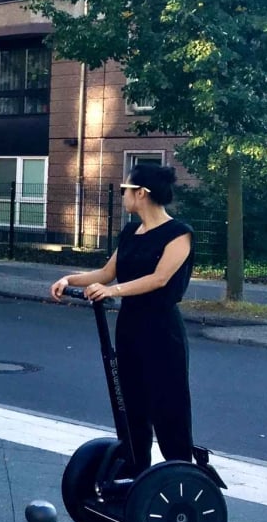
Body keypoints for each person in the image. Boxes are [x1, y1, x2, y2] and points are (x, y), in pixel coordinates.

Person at [50, 164, 196, 473]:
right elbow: (105, 273)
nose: (122, 195)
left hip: (162, 330)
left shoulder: (178, 234)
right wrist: (69, 279)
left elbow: (159, 279)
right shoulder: (131, 232)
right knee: (131, 404)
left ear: (141, 193)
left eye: (124, 190)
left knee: (167, 405)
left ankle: (179, 473)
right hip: (130, 327)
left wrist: (112, 290)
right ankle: (135, 469)